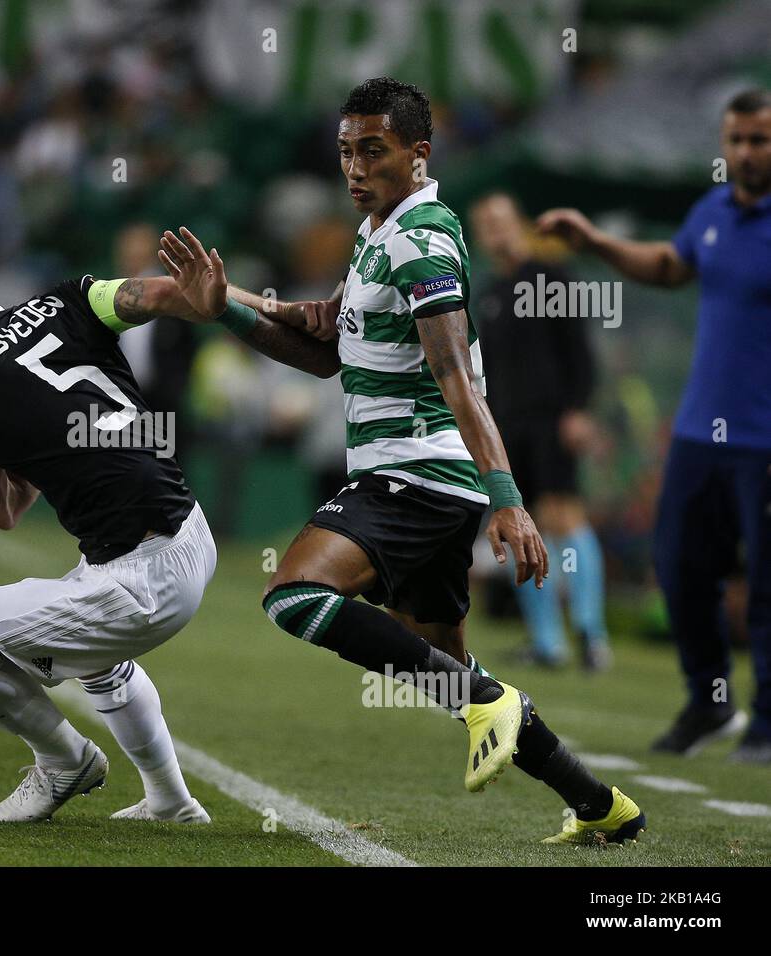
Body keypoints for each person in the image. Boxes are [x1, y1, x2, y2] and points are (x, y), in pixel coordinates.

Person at [239, 77, 643, 844]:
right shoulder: (376, 232)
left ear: (418, 155)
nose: (355, 168)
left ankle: (487, 695)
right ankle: (600, 806)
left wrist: (509, 498)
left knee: (295, 598)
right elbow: (326, 344)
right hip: (417, 477)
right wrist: (225, 304)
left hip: (415, 475)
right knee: (444, 666)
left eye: (374, 152)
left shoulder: (422, 241)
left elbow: (457, 378)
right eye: (346, 152)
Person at [0, 227, 335, 823]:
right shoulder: (65, 298)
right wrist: (278, 307)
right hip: (188, 531)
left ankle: (64, 760)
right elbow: (174, 293)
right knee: (93, 652)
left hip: (142, 577)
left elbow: (3, 512)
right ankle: (171, 801)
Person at [537, 88, 771, 763]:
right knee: (677, 563)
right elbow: (670, 267)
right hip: (702, 433)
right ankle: (711, 700)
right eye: (737, 140)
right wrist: (595, 241)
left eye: (760, 140)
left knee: (767, 582)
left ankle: (768, 722)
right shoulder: (714, 210)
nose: (746, 152)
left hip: (764, 441)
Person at [470, 192, 610, 670]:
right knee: (518, 528)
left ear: (522, 223)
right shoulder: (488, 292)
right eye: (486, 224)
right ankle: (548, 643)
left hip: (552, 417)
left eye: (502, 220)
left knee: (564, 517)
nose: (495, 230)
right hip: (508, 428)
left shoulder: (550, 276)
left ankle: (592, 634)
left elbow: (580, 350)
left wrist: (578, 409)